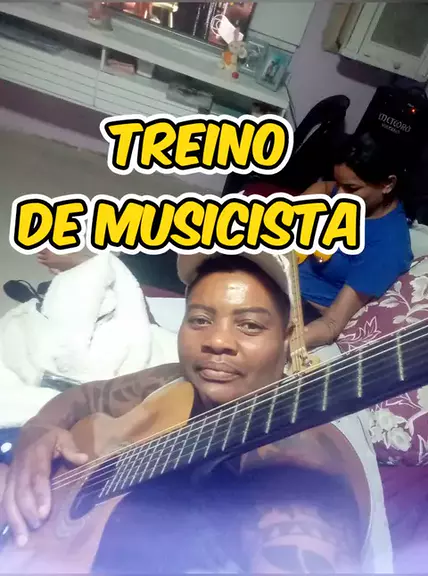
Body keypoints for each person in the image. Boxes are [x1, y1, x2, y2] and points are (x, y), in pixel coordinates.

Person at [0, 252, 392, 573]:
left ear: (288, 338)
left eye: (249, 325)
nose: (217, 341)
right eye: (201, 320)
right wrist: (38, 432)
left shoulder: (301, 460)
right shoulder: (177, 382)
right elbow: (87, 396)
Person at [299, 132, 413, 350]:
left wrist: (279, 344)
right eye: (339, 184)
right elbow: (325, 188)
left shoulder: (387, 246)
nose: (339, 195)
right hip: (280, 274)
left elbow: (331, 325)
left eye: (351, 189)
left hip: (304, 307)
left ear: (388, 184)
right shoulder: (348, 194)